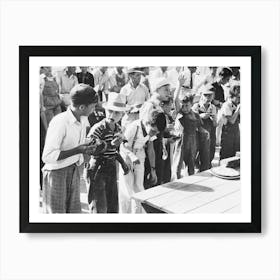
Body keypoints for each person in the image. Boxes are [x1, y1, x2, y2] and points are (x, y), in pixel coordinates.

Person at [41, 84, 98, 213]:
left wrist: (90, 145)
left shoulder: (83, 119)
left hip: (73, 170)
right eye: (93, 106)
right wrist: (78, 150)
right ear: (82, 107)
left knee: (73, 214)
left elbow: (80, 144)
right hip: (56, 174)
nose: (94, 110)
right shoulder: (60, 122)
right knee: (57, 217)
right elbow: (48, 156)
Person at [86, 92, 129, 213]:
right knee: (99, 205)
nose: (112, 115)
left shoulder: (118, 129)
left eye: (117, 112)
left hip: (110, 167)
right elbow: (90, 148)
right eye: (110, 111)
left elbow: (114, 151)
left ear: (122, 114)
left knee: (112, 204)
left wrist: (122, 163)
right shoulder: (98, 128)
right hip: (97, 168)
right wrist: (110, 144)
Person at [118, 109, 160, 213]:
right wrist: (131, 156)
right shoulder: (133, 127)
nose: (154, 133)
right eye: (153, 131)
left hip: (140, 154)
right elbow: (122, 145)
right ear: (147, 123)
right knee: (126, 191)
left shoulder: (152, 131)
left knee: (139, 188)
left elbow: (151, 150)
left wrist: (153, 170)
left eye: (156, 132)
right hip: (126, 156)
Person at [192, 84, 217, 170]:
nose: (208, 97)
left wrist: (213, 118)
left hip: (209, 135)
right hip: (198, 134)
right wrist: (200, 117)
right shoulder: (196, 106)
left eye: (210, 95)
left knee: (208, 155)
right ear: (201, 95)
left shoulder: (213, 107)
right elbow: (191, 123)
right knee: (196, 155)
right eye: (205, 95)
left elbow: (215, 125)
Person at [218, 83, 240, 160]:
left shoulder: (236, 104)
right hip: (227, 135)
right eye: (238, 97)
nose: (240, 100)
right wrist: (238, 110)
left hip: (235, 134)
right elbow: (231, 121)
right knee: (226, 157)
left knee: (235, 157)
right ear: (231, 96)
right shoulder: (226, 105)